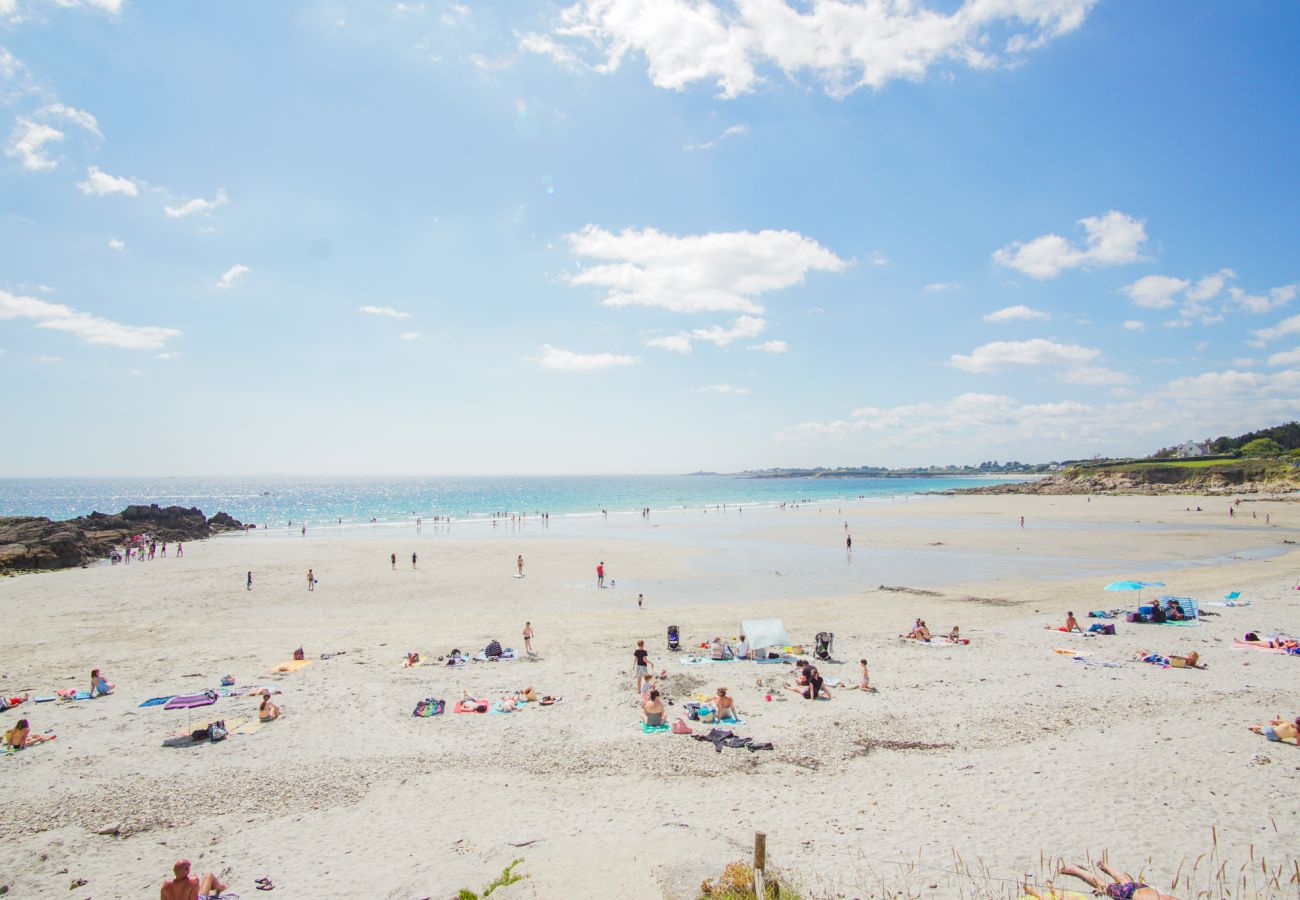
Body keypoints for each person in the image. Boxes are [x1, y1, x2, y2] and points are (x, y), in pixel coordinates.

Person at [1052, 860, 1180, 900]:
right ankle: (1074, 869)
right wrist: (1101, 891)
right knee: (1102, 884)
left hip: (1143, 887)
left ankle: (1105, 865)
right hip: (1127, 894)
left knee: (1125, 880)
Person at [160, 858, 228, 900]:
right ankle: (220, 888)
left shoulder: (165, 885)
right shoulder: (193, 882)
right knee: (209, 876)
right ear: (187, 869)